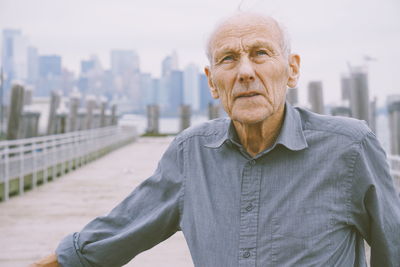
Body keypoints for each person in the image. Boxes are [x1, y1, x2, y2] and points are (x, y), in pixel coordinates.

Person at [32, 12, 400, 267]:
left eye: (260, 53)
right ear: (211, 81)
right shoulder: (190, 154)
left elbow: (393, 250)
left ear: (292, 69)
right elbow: (114, 234)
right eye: (228, 59)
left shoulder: (350, 148)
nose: (244, 72)